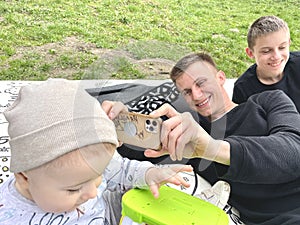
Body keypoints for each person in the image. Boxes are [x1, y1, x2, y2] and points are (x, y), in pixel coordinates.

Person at [0, 78, 192, 225]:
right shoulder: (10, 216)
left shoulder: (85, 167)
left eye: (98, 176)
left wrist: (151, 173)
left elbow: (123, 170)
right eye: (74, 189)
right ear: (24, 176)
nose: (93, 193)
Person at [137, 52, 300, 225]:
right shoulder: (192, 137)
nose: (197, 95)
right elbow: (133, 157)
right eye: (187, 92)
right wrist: (115, 121)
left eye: (201, 83)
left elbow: (293, 151)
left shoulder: (268, 100)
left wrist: (213, 148)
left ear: (221, 78)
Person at [232, 15, 300, 111]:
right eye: (266, 51)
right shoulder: (243, 88)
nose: (276, 56)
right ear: (251, 53)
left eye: (282, 47)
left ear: (289, 43)